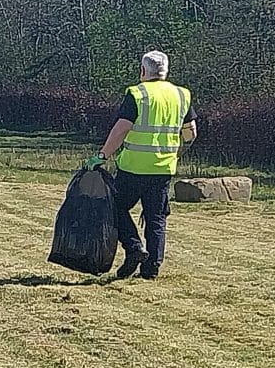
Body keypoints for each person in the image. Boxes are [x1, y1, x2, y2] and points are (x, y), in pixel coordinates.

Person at [83, 51, 197, 280]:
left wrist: (102, 155)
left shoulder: (137, 94)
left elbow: (122, 128)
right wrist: (175, 154)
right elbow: (191, 133)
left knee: (115, 208)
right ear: (166, 71)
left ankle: (134, 249)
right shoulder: (182, 95)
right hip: (163, 169)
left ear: (143, 71)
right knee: (156, 217)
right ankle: (152, 267)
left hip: (133, 167)